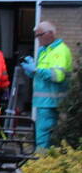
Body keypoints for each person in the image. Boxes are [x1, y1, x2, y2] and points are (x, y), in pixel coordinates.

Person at [22, 20, 74, 149]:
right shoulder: (44, 51)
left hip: (51, 100)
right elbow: (40, 74)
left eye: (39, 35)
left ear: (50, 33)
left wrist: (36, 70)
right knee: (44, 134)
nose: (37, 39)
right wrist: (31, 71)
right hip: (44, 101)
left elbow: (58, 76)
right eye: (36, 36)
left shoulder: (60, 51)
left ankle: (41, 162)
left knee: (43, 135)